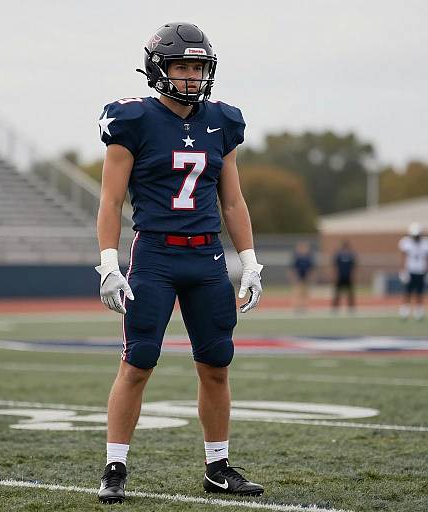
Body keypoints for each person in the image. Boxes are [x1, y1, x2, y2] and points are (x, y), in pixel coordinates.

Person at [95, 22, 264, 504]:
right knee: (138, 361)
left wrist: (249, 261)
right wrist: (109, 261)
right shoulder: (132, 119)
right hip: (155, 255)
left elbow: (232, 201)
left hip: (207, 257)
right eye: (181, 67)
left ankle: (217, 465)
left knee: (216, 364)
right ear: (158, 69)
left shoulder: (223, 120)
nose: (190, 77)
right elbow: (109, 202)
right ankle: (115, 465)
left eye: (196, 67)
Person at [398, 222, 428, 320]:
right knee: (407, 292)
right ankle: (405, 311)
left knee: (419, 293)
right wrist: (403, 270)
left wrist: (426, 271)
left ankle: (418, 311)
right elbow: (403, 257)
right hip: (410, 270)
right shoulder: (406, 242)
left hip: (421, 271)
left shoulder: (425, 242)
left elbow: (426, 258)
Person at [332, 240, 357, 311]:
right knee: (337, 292)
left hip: (348, 276)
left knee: (350, 292)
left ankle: (351, 306)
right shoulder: (338, 254)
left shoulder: (351, 255)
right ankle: (335, 306)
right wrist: (335, 275)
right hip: (340, 276)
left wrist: (353, 276)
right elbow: (335, 266)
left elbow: (353, 266)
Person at [290, 241, 314, 312]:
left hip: (306, 278)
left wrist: (310, 277)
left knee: (305, 293)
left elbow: (311, 269)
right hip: (298, 278)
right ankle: (296, 306)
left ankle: (304, 306)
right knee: (297, 292)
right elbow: (293, 268)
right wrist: (294, 277)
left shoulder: (308, 258)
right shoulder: (297, 258)